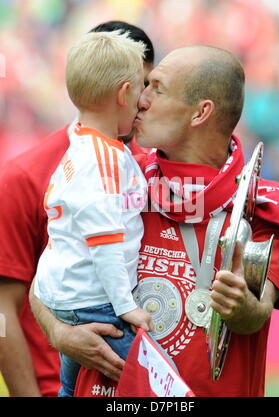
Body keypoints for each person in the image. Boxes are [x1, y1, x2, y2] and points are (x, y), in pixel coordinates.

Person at [30, 45, 279, 397]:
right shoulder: (119, 181)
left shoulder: (261, 205)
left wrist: (241, 308)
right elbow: (46, 278)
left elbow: (258, 312)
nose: (140, 98)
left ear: (200, 113)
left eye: (157, 88)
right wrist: (59, 332)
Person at [0, 21, 154, 397]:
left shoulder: (149, 168)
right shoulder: (21, 177)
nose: (146, 101)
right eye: (142, 87)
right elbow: (1, 311)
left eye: (154, 87)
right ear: (122, 91)